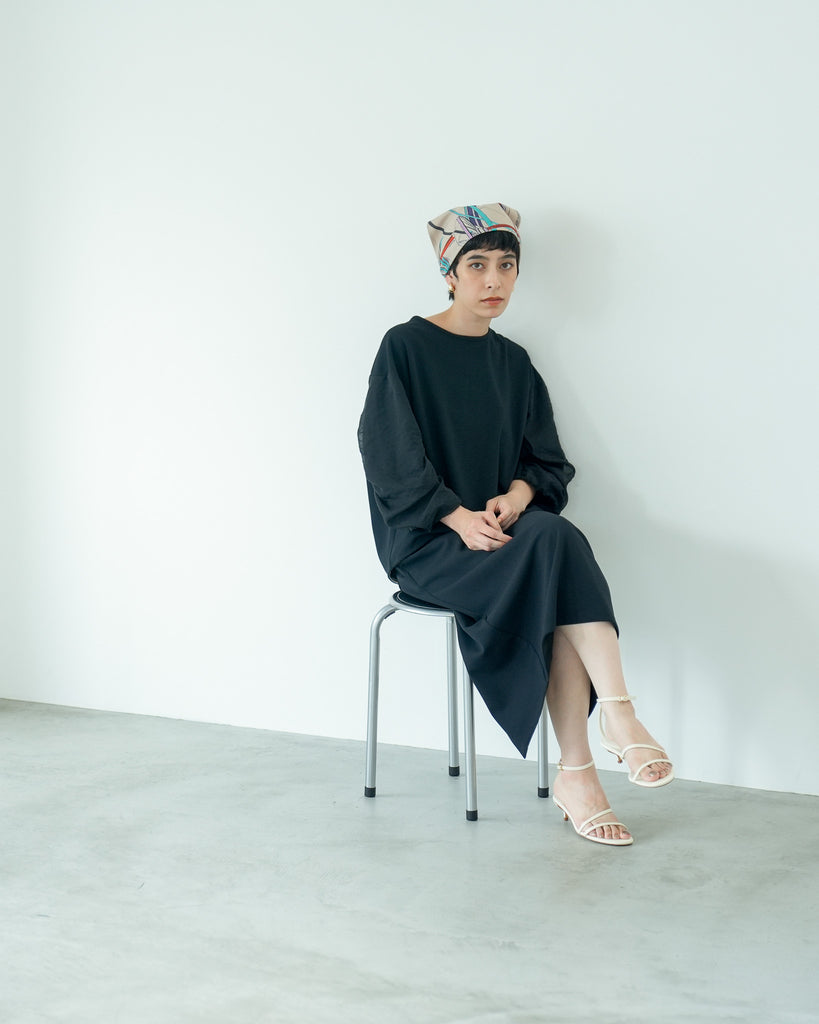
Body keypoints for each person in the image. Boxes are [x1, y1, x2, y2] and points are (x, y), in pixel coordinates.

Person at [358, 203, 673, 846]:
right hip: (428, 543)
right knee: (556, 547)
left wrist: (517, 496)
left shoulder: (514, 363)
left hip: (502, 538)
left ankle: (581, 770)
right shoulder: (406, 347)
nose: (493, 280)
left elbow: (547, 461)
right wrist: (454, 516)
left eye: (506, 265)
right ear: (449, 273)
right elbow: (386, 453)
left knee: (550, 550)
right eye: (477, 265)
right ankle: (614, 722)